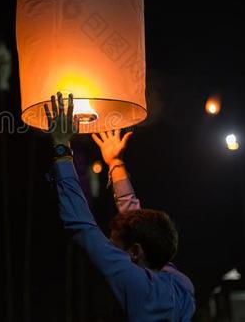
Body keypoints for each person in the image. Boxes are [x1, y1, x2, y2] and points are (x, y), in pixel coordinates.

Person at [45, 92, 195, 321]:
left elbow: (83, 228)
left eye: (114, 247)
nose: (109, 248)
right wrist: (116, 163)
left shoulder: (133, 282)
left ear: (135, 252)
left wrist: (62, 149)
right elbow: (135, 221)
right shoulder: (180, 283)